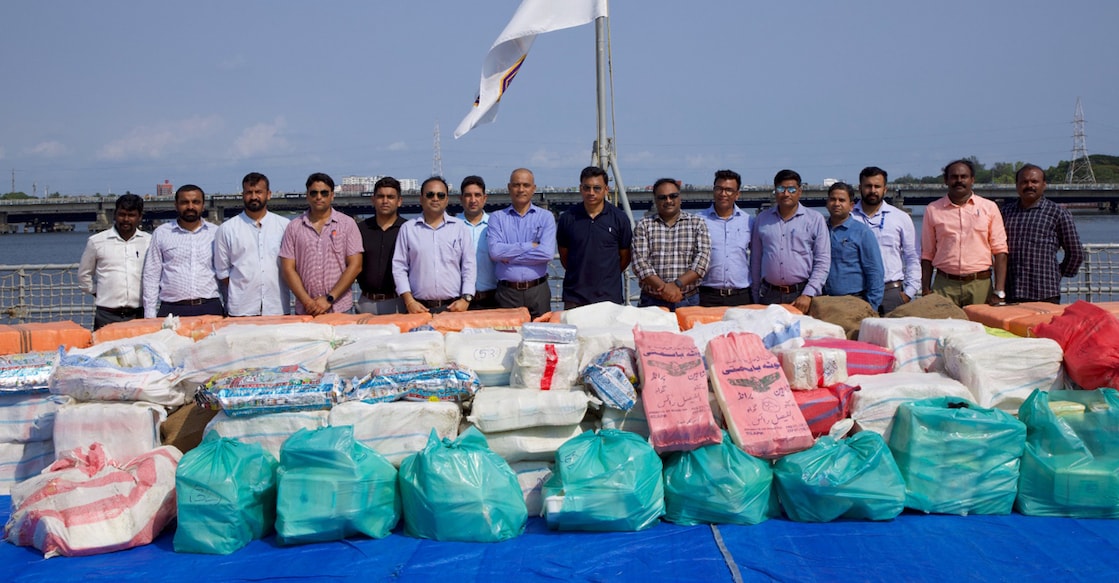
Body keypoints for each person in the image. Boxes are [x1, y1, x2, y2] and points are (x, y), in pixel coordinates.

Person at [920, 159, 1008, 307]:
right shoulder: (932, 210)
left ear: (972, 180)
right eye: (954, 177)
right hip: (944, 286)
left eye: (964, 177)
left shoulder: (989, 208)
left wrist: (999, 291)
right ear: (946, 180)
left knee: (980, 329)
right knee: (943, 329)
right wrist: (925, 289)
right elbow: (927, 253)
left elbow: (1000, 251)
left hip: (980, 285)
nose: (959, 180)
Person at [279, 172, 363, 315]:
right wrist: (307, 302)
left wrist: (329, 298)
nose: (319, 197)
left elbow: (355, 266)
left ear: (332, 195)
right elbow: (287, 268)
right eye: (314, 193)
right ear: (307, 196)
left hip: (340, 309)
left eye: (324, 193)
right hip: (306, 310)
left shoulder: (347, 224)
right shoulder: (294, 227)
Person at [1000, 164, 1085, 303]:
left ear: (1044, 185)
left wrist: (1058, 274)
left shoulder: (1057, 213)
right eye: (1024, 182)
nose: (1029, 185)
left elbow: (1075, 252)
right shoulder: (1005, 213)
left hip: (1045, 292)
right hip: (1011, 289)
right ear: (1017, 185)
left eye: (1034, 181)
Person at [750, 169, 830, 312]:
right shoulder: (762, 219)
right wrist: (755, 295)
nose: (786, 194)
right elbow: (755, 260)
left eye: (791, 189)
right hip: (769, 295)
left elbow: (823, 261)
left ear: (800, 191)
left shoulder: (815, 219)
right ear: (775, 191)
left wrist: (808, 293)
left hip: (801, 295)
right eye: (781, 188)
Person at [393, 176, 476, 314]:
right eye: (430, 194)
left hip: (454, 307)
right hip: (418, 308)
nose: (435, 198)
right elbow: (399, 267)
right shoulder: (408, 229)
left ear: (447, 200)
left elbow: (469, 266)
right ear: (421, 199)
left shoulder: (460, 228)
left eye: (441, 195)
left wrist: (466, 299)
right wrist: (409, 302)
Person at [214, 172, 291, 317]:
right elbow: (222, 272)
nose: (254, 197)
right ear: (243, 195)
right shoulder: (227, 229)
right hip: (242, 309)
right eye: (249, 192)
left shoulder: (285, 226)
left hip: (277, 307)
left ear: (268, 194)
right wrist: (245, 287)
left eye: (259, 192)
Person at [142, 184, 223, 318]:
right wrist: (149, 315)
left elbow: (223, 273)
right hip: (171, 309)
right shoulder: (161, 233)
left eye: (195, 202)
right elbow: (151, 275)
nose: (190, 207)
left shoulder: (216, 233)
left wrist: (229, 308)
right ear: (176, 205)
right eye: (184, 202)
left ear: (203, 205)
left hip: (209, 307)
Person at [557, 166, 633, 309]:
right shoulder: (567, 218)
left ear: (606, 189)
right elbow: (564, 256)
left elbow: (625, 257)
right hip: (575, 297)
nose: (591, 193)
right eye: (587, 188)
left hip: (609, 297)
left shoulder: (619, 219)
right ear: (580, 188)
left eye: (597, 188)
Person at [632, 177, 711, 311]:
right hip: (652, 301)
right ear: (655, 200)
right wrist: (665, 289)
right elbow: (640, 263)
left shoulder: (697, 224)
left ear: (680, 198)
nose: (668, 201)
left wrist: (676, 285)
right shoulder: (644, 225)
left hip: (687, 300)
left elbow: (702, 261)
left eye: (672, 196)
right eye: (662, 197)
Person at [487, 168, 556, 319]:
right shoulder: (497, 218)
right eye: (516, 185)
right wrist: (529, 246)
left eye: (526, 185)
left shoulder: (546, 217)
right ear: (509, 188)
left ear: (534, 189)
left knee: (542, 336)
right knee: (507, 338)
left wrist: (508, 257)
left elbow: (547, 253)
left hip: (538, 291)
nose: (521, 189)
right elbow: (495, 252)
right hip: (507, 293)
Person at [852, 166, 921, 314]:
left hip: (892, 293)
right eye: (868, 186)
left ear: (885, 189)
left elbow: (912, 257)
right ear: (860, 188)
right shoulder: (849, 218)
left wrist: (909, 292)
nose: (872, 190)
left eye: (877, 186)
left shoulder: (900, 218)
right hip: (857, 293)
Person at [78, 194, 151, 329]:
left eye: (131, 215)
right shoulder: (96, 241)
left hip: (139, 314)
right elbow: (84, 275)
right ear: (115, 215)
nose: (126, 219)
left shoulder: (149, 242)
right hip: (106, 315)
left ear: (140, 217)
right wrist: (97, 291)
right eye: (121, 214)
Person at [824, 182, 884, 311]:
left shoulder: (862, 232)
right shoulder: (820, 230)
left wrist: (871, 307)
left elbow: (874, 271)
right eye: (833, 199)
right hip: (824, 301)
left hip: (854, 301)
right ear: (827, 203)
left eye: (842, 200)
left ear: (851, 206)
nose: (836, 204)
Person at [698, 169, 753, 307]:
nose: (723, 194)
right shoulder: (698, 220)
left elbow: (758, 258)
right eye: (719, 189)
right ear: (713, 190)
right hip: (706, 295)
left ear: (737, 194)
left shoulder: (749, 221)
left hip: (741, 296)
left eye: (729, 190)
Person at [355, 176, 407, 315]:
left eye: (390, 197)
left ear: (399, 201)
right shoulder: (360, 230)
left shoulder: (408, 229)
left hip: (399, 302)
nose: (385, 201)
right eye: (380, 196)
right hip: (366, 302)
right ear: (373, 200)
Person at [458, 175, 498, 310]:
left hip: (492, 299)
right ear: (461, 198)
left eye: (477, 195)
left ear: (484, 198)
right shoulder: (452, 226)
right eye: (468, 195)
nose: (473, 200)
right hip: (459, 300)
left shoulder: (496, 225)